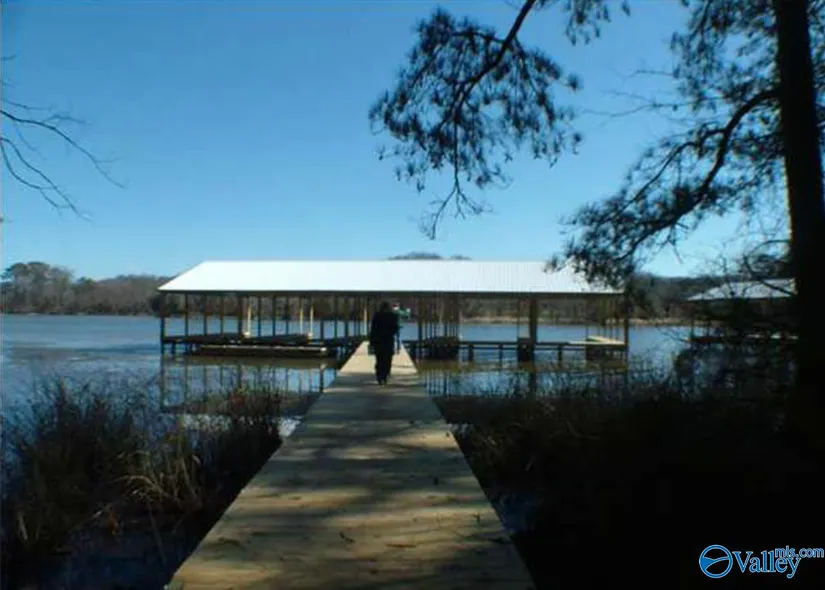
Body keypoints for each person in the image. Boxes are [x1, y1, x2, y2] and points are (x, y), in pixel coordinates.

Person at [369, 301, 399, 385]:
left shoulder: (377, 316)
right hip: (388, 340)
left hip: (378, 341)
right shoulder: (393, 316)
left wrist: (371, 341)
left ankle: (379, 376)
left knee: (379, 359)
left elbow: (373, 329)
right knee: (388, 359)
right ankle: (385, 376)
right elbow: (395, 328)